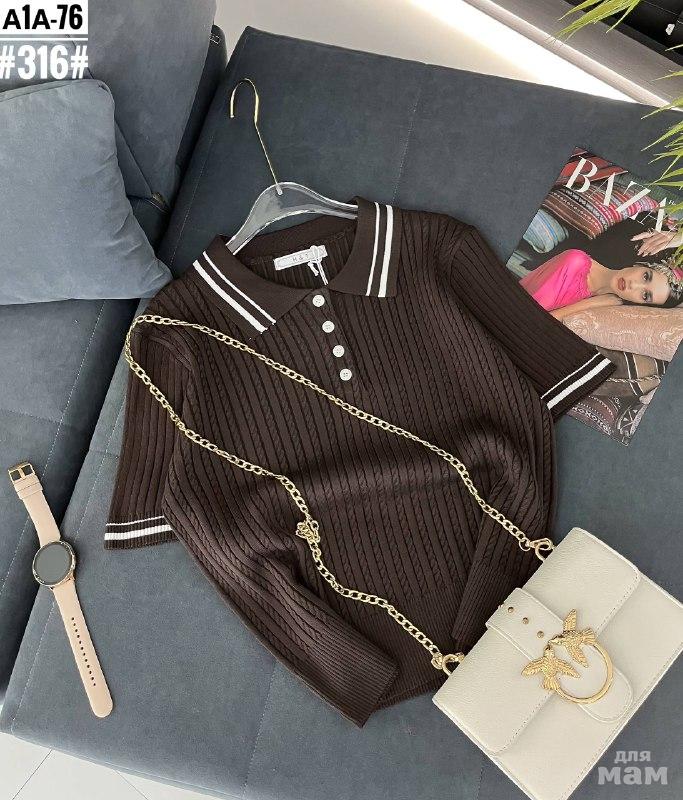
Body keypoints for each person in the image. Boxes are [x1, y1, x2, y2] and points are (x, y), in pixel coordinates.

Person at [520, 232, 683, 321]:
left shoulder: (610, 307)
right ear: (641, 265)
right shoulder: (575, 262)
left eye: (645, 295)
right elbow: (529, 319)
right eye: (646, 277)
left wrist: (596, 303)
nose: (634, 285)